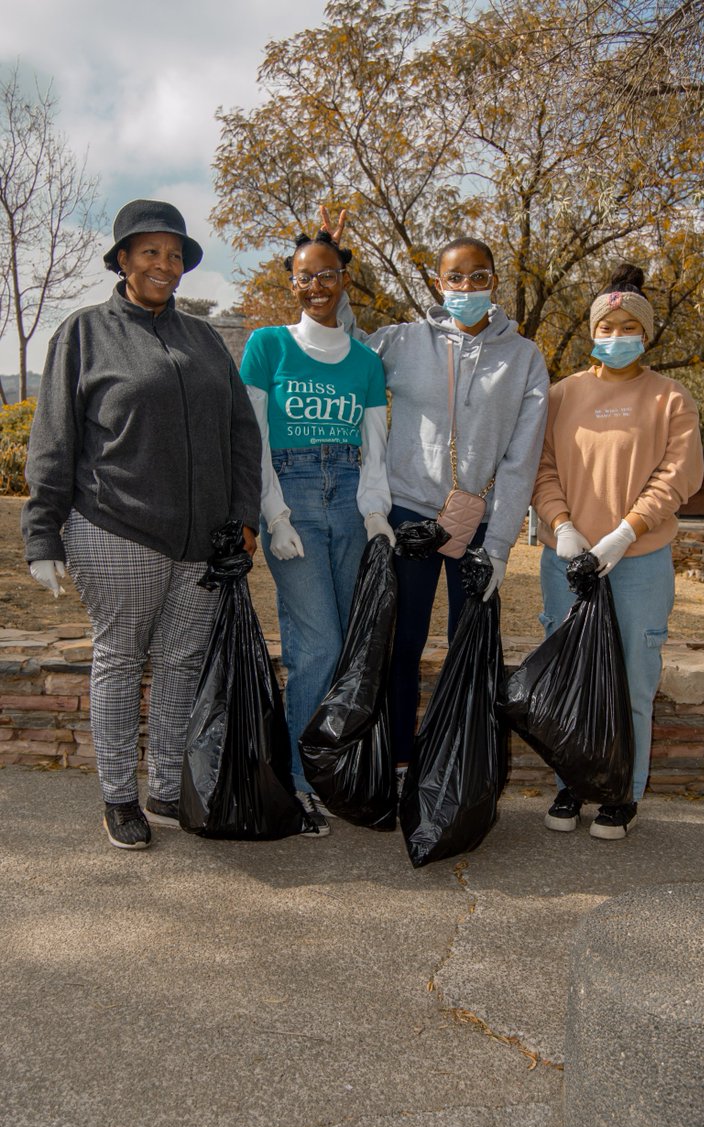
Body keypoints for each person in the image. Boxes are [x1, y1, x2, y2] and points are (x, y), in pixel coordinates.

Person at [22, 199, 263, 851]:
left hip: (203, 540)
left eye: (175, 254)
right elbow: (52, 438)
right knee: (121, 657)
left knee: (183, 660)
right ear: (123, 259)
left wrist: (245, 516)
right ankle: (118, 798)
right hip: (115, 525)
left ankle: (164, 787)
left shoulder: (205, 339)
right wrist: (42, 533)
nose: (165, 264)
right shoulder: (83, 333)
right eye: (150, 251)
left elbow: (243, 432)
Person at [322, 209, 549, 791]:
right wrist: (331, 262)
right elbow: (344, 349)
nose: (466, 288)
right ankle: (399, 760)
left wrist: (499, 546)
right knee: (404, 643)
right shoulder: (403, 340)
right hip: (409, 516)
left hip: (479, 523)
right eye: (455, 278)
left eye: (478, 277)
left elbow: (522, 458)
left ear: (493, 282)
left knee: (473, 647)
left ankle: (464, 763)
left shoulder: (523, 357)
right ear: (439, 284)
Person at [532, 263, 704, 840]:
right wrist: (563, 527)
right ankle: (570, 785)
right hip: (568, 562)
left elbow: (678, 474)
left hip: (640, 563)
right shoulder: (562, 395)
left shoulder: (669, 399)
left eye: (630, 325)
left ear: (647, 334)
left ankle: (620, 795)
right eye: (608, 326)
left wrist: (625, 532)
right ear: (592, 332)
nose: (617, 335)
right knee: (569, 677)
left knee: (632, 680)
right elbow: (542, 467)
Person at [238, 230, 392, 835]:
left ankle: (343, 768)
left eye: (327, 274)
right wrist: (273, 515)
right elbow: (253, 440)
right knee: (316, 645)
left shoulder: (366, 361)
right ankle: (304, 782)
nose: (316, 285)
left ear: (343, 281)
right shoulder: (267, 346)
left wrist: (376, 513)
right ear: (292, 282)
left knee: (352, 642)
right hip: (293, 496)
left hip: (353, 500)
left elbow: (375, 447)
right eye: (304, 275)